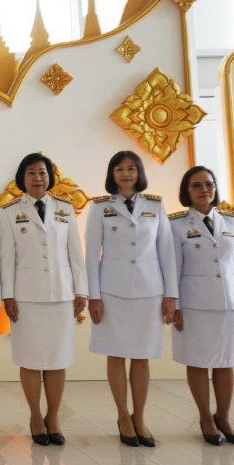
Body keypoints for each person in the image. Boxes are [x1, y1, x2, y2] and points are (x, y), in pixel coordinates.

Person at [85, 151, 177, 447]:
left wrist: (171, 294)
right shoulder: (100, 207)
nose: (126, 174)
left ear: (139, 173)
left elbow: (166, 252)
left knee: (141, 356)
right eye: (119, 169)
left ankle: (140, 417)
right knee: (115, 354)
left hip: (150, 291)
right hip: (112, 291)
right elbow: (92, 254)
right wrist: (93, 296)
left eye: (131, 168)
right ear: (112, 174)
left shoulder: (155, 205)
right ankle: (123, 416)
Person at [0, 152, 87, 446]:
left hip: (61, 295)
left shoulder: (65, 209)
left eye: (43, 173)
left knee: (58, 359)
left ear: (50, 178)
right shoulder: (9, 213)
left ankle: (54, 417)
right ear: (22, 178)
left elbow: (76, 254)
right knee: (30, 359)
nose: (38, 178)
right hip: (26, 297)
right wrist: (7, 295)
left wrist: (81, 291)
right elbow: (5, 259)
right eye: (32, 173)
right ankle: (36, 416)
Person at [169, 166, 234, 446]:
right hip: (194, 304)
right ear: (186, 191)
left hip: (231, 302)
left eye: (209, 184)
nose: (204, 190)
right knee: (198, 361)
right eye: (196, 185)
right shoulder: (176, 225)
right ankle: (205, 417)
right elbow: (173, 268)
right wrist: (175, 304)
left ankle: (224, 417)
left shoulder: (232, 222)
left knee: (226, 361)